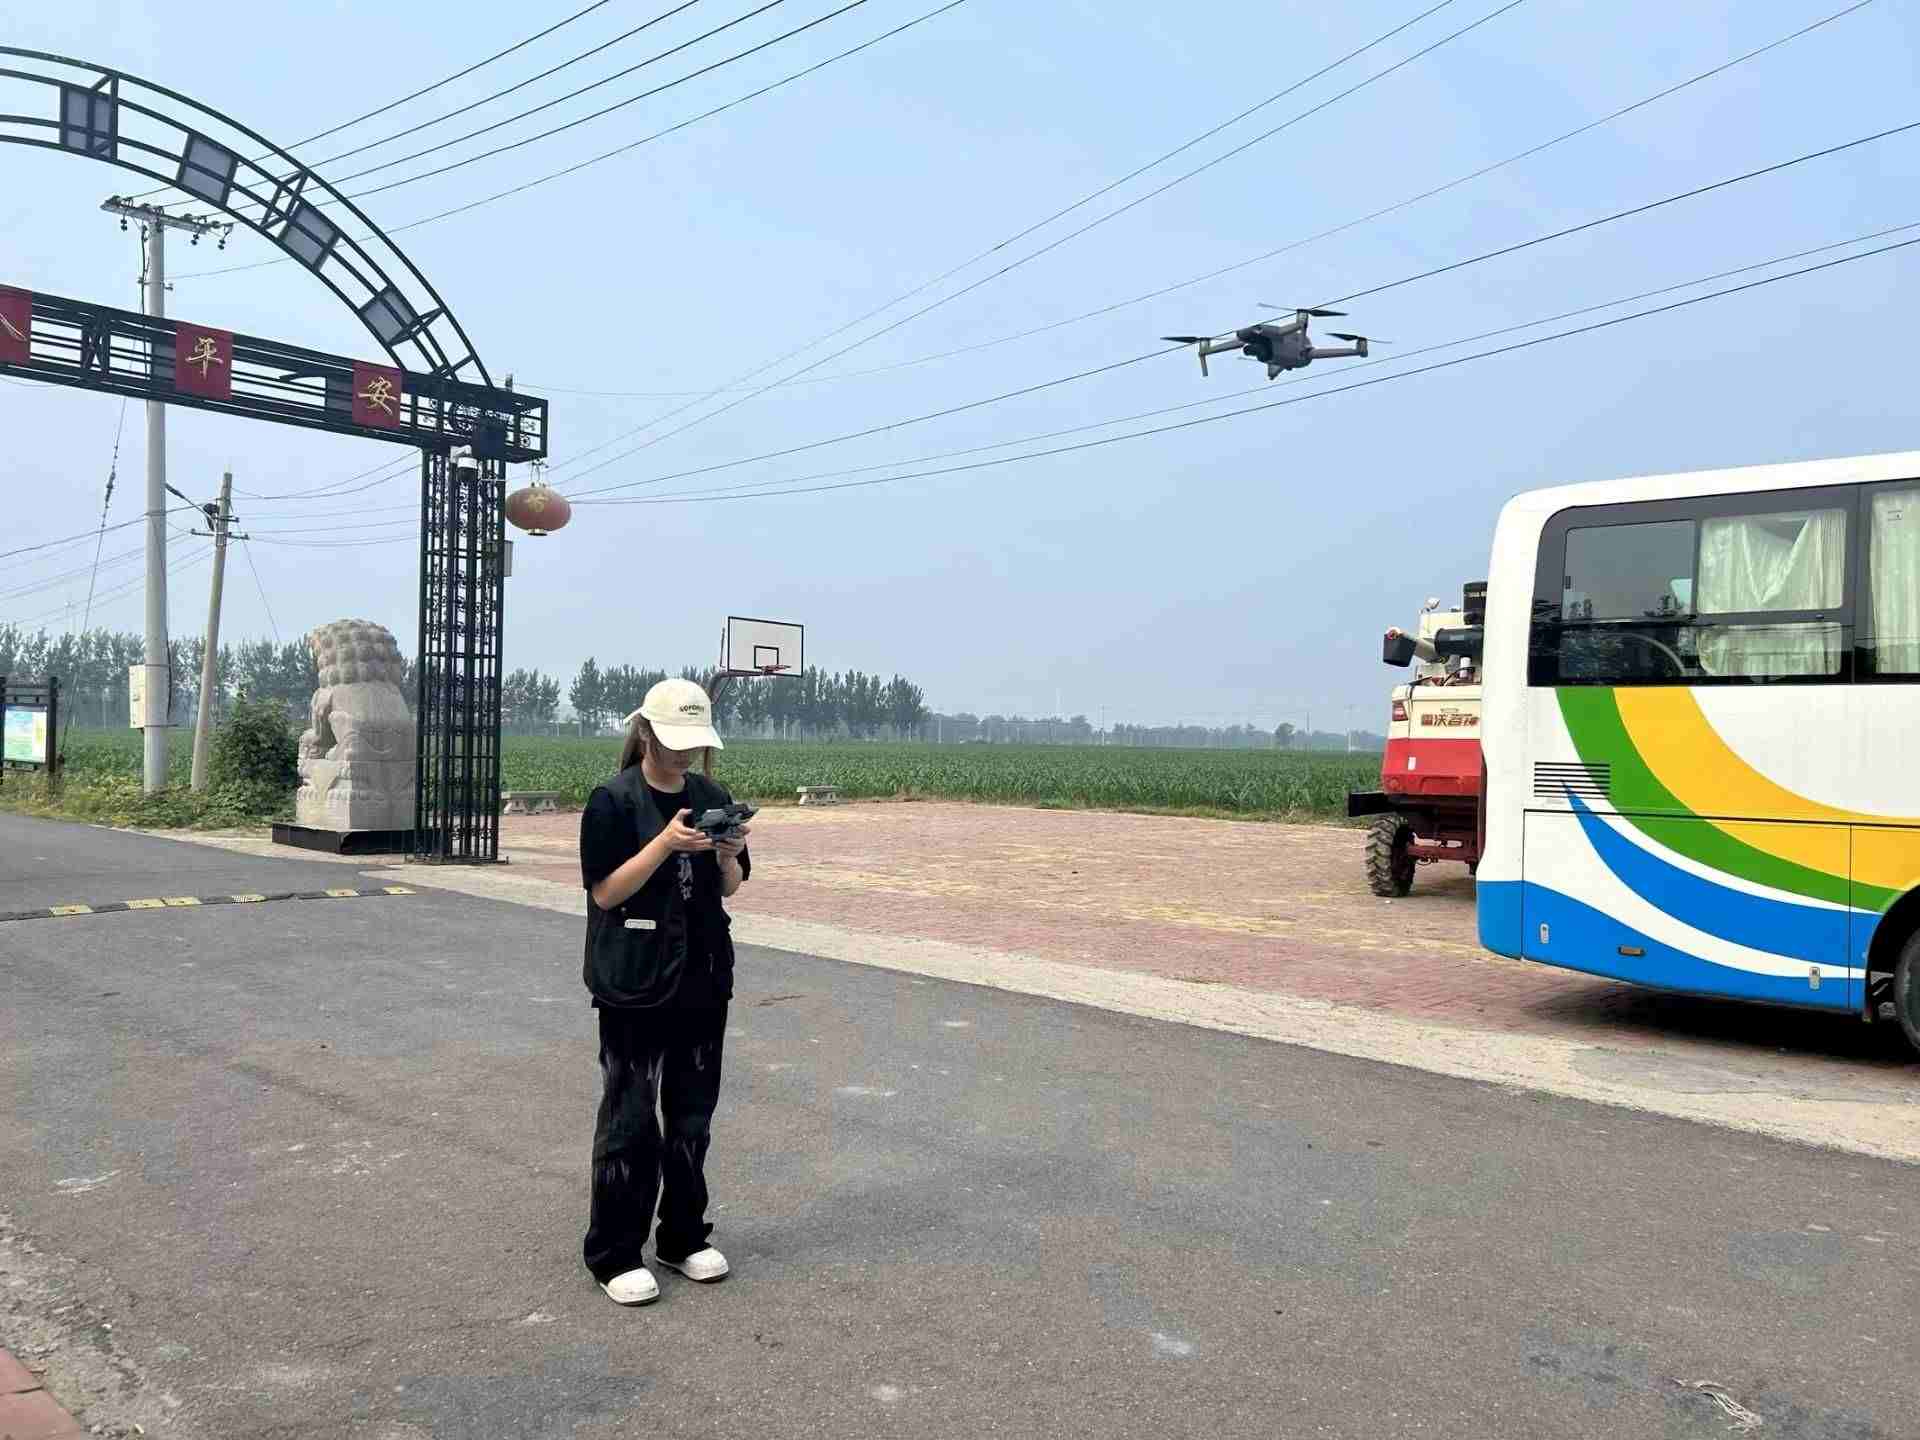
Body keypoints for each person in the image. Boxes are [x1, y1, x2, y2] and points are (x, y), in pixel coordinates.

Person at [579, 678, 752, 1307]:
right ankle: (614, 1252)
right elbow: (606, 892)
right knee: (629, 1119)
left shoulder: (712, 796)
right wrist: (665, 843)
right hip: (634, 982)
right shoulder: (613, 801)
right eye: (673, 740)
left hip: (702, 976)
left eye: (694, 742)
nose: (684, 753)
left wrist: (728, 853)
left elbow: (730, 887)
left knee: (691, 1118)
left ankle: (682, 1236)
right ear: (646, 732)